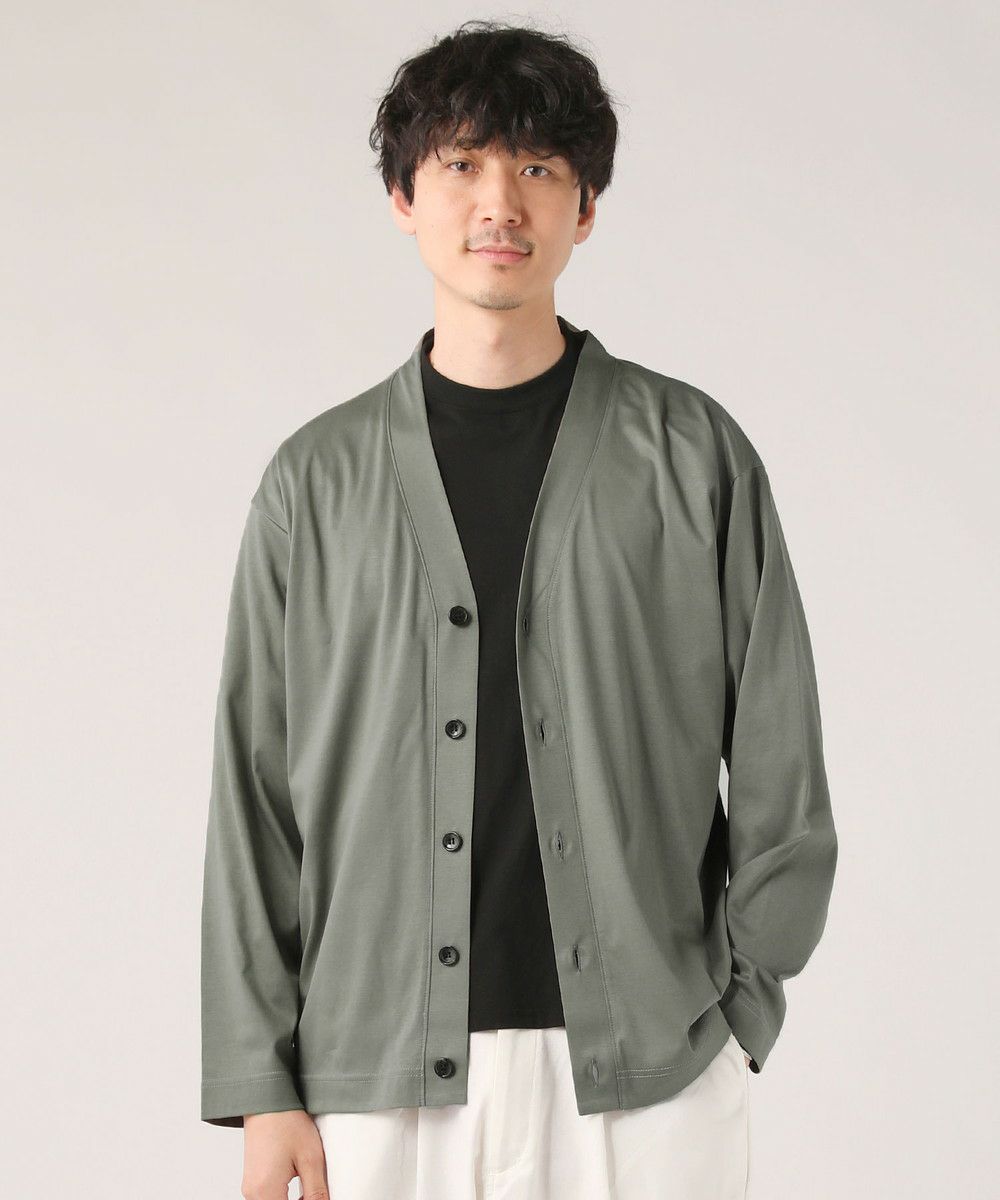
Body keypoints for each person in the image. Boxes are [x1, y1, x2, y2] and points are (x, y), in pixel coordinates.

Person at [200, 18, 838, 1200]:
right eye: (462, 163)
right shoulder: (314, 485)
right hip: (374, 1082)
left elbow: (780, 761)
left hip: (651, 1076)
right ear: (403, 196)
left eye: (538, 167)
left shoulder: (691, 456)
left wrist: (741, 1010)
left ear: (584, 207)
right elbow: (255, 799)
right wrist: (262, 1081)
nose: (500, 201)